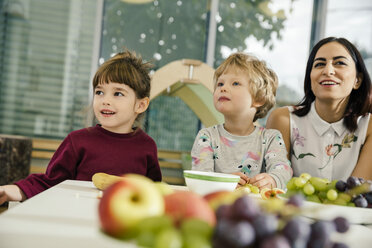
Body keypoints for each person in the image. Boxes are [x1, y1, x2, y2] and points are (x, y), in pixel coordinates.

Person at [0, 50, 162, 205]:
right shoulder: (77, 141)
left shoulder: (147, 147)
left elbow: (154, 194)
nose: (105, 100)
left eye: (117, 93)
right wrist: (10, 191)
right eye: (99, 92)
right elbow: (49, 183)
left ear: (141, 105)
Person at [266, 37, 372, 181]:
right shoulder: (283, 119)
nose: (328, 71)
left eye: (339, 63)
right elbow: (275, 183)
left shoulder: (369, 126)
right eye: (319, 64)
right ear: (310, 77)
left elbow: (356, 192)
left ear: (357, 80)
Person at [191, 52, 292, 190]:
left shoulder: (271, 138)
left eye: (235, 83)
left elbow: (283, 170)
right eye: (220, 83)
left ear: (259, 99)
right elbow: (200, 178)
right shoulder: (206, 137)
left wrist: (272, 180)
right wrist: (225, 183)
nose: (223, 88)